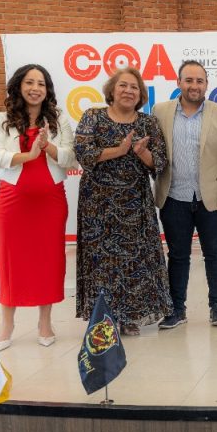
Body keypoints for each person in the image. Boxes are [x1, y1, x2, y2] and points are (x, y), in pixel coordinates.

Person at [74, 67, 172, 335]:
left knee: (134, 260)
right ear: (112, 90)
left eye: (134, 87)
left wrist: (140, 152)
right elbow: (83, 153)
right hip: (97, 204)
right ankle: (103, 317)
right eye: (123, 85)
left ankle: (130, 316)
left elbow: (160, 162)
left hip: (135, 203)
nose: (129, 91)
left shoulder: (148, 123)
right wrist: (120, 150)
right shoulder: (93, 116)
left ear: (141, 94)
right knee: (101, 261)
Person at [0, 65, 76, 348]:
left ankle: (45, 322)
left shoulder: (58, 119)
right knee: (10, 262)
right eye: (29, 82)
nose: (35, 88)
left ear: (47, 90)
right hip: (13, 202)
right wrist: (29, 155)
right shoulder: (2, 119)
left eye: (41, 84)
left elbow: (71, 158)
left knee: (48, 261)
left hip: (50, 202)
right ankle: (8, 323)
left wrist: (48, 147)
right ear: (19, 86)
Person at [153, 60, 217, 329]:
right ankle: (176, 309)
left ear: (206, 84)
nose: (194, 85)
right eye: (188, 80)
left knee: (214, 254)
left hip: (210, 197)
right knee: (178, 255)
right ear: (178, 82)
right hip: (173, 196)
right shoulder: (160, 111)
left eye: (199, 81)